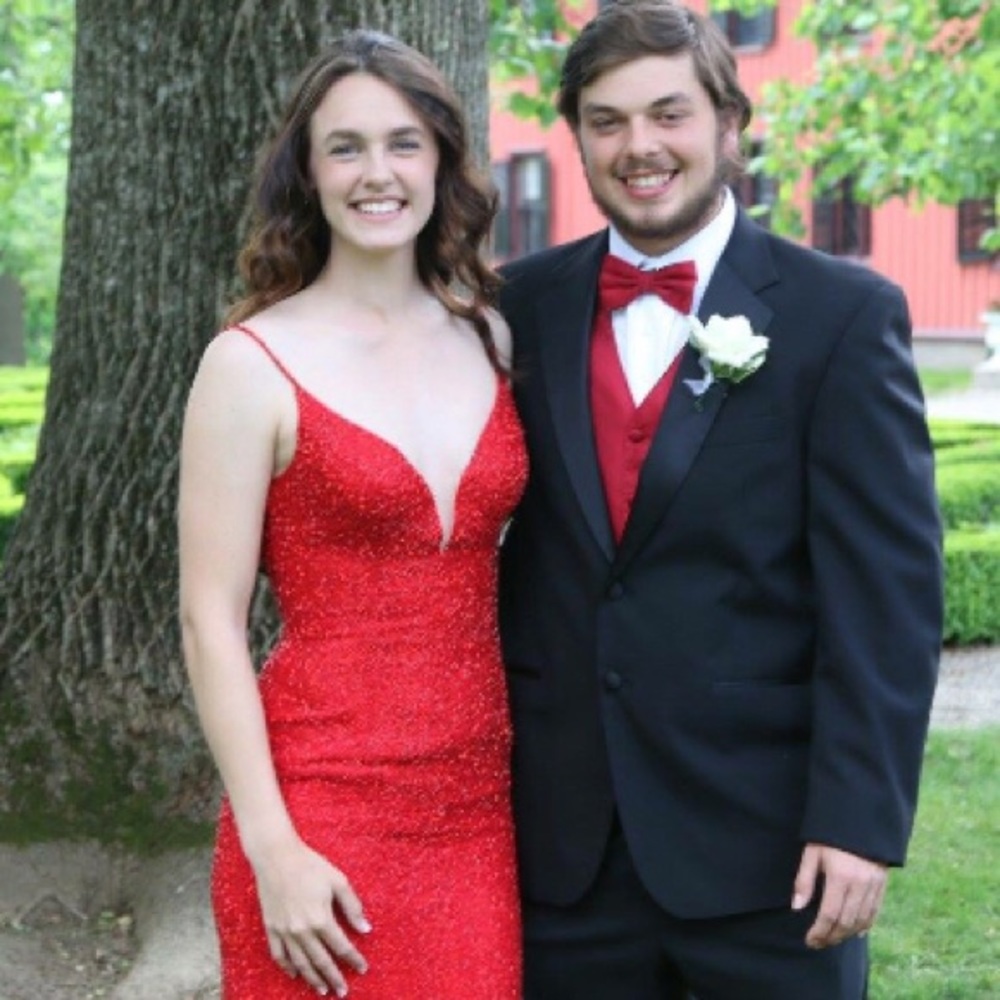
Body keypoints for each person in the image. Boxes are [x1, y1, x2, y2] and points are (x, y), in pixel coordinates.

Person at [497, 3, 942, 998]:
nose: (637, 146)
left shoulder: (840, 315)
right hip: (563, 853)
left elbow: (887, 599)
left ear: (729, 122)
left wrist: (859, 820)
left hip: (772, 852)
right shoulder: (513, 308)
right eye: (606, 121)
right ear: (575, 137)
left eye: (668, 114)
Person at [178, 31, 525, 999]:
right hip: (317, 806)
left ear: (442, 162)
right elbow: (210, 622)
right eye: (346, 147)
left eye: (404, 142)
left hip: (475, 810)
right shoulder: (250, 364)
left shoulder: (488, 335)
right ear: (309, 172)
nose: (378, 172)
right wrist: (272, 847)